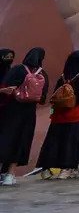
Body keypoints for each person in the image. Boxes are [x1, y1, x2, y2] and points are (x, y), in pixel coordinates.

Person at [36, 49, 79, 178]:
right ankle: (66, 169)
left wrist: (52, 113)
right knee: (70, 142)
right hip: (74, 114)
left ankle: (45, 169)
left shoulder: (64, 76)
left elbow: (55, 95)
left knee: (53, 142)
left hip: (58, 116)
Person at [0, 48, 48, 184]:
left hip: (12, 112)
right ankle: (10, 174)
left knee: (6, 140)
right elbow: (42, 98)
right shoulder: (42, 74)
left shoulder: (17, 69)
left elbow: (6, 87)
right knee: (21, 141)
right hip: (29, 114)